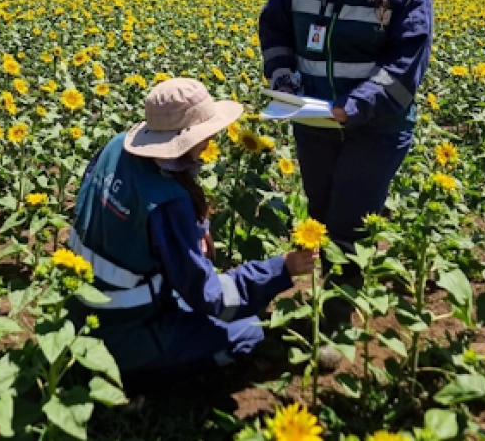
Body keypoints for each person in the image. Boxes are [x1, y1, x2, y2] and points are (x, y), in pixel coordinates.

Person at [64, 78, 317, 392]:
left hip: (74, 313)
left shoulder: (116, 147)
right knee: (248, 332)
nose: (214, 136)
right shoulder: (168, 201)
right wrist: (282, 268)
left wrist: (190, 232)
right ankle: (135, 380)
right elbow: (210, 297)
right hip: (123, 333)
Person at [258, 0, 434, 266]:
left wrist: (354, 106)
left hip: (377, 128)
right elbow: (275, 28)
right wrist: (283, 77)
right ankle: (326, 301)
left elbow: (407, 64)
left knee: (349, 226)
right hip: (313, 122)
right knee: (319, 215)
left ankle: (339, 311)